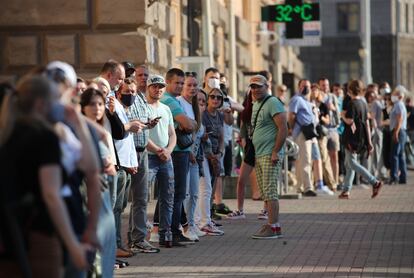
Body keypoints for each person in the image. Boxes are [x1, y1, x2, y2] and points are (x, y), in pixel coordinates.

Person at [0, 75, 89, 277]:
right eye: (56, 99)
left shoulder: (7, 132)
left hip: (9, 235)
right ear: (41, 104)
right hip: (38, 234)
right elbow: (51, 194)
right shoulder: (44, 137)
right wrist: (73, 244)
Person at [80, 88, 117, 276]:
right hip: (90, 197)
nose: (97, 108)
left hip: (105, 196)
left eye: (100, 104)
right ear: (83, 107)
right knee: (95, 252)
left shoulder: (102, 129)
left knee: (107, 247)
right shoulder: (81, 131)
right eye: (92, 104)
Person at [248, 75, 287, 239]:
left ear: (267, 86)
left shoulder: (273, 103)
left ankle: (274, 226)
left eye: (259, 86)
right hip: (260, 153)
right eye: (253, 87)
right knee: (265, 192)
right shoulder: (256, 103)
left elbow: (283, 128)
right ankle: (272, 224)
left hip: (270, 154)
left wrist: (276, 151)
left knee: (270, 192)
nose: (256, 89)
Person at [161, 68, 197, 244]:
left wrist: (189, 124)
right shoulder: (171, 101)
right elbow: (189, 125)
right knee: (178, 194)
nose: (180, 86)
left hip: (174, 152)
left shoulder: (168, 100)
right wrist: (189, 124)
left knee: (172, 194)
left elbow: (189, 124)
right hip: (177, 153)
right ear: (168, 82)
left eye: (182, 83)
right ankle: (173, 232)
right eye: (177, 82)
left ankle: (171, 231)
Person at [145, 75, 178, 247]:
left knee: (168, 196)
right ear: (148, 88)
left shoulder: (165, 109)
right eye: (154, 86)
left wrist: (168, 150)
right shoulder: (143, 107)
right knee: (143, 197)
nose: (158, 90)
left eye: (161, 87)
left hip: (166, 157)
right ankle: (140, 234)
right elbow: (142, 134)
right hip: (150, 157)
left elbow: (172, 134)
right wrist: (158, 150)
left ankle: (166, 234)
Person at [339, 79, 382, 199]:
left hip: (351, 138)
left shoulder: (352, 104)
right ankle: (346, 190)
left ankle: (374, 182)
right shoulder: (363, 103)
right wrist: (368, 142)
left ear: (350, 91)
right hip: (361, 138)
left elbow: (349, 120)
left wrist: (342, 115)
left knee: (352, 163)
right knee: (349, 164)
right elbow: (367, 123)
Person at [178, 72, 205, 241]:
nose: (192, 88)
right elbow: (182, 129)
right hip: (184, 153)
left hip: (195, 154)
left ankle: (192, 224)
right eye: (189, 85)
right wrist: (188, 152)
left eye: (195, 85)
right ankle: (184, 226)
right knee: (185, 192)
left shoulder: (194, 105)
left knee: (194, 192)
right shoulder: (179, 103)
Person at [288, 79, 317, 196]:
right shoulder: (297, 99)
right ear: (299, 87)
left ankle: (300, 187)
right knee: (306, 160)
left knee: (301, 161)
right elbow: (291, 115)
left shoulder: (307, 101)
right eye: (304, 86)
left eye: (308, 86)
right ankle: (308, 187)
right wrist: (291, 129)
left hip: (308, 133)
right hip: (301, 133)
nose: (307, 88)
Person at [389, 85, 408, 184]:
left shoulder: (398, 105)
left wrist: (396, 132)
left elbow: (399, 119)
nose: (393, 95)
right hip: (400, 131)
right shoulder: (398, 105)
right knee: (400, 155)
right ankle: (402, 177)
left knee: (395, 155)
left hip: (399, 131)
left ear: (400, 96)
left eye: (395, 93)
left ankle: (395, 177)